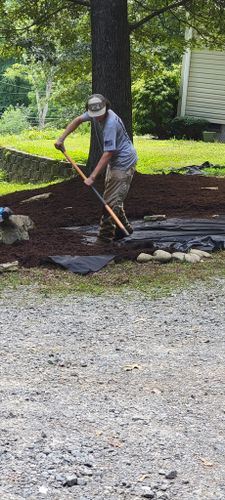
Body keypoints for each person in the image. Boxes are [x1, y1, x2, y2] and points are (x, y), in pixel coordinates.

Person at [55, 94, 137, 243]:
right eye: (94, 115)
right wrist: (62, 138)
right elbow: (78, 120)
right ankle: (124, 228)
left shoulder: (111, 124)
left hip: (124, 163)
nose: (97, 118)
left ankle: (104, 239)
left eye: (100, 115)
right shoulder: (96, 110)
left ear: (106, 108)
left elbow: (108, 153)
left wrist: (92, 177)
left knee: (110, 203)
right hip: (115, 161)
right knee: (112, 196)